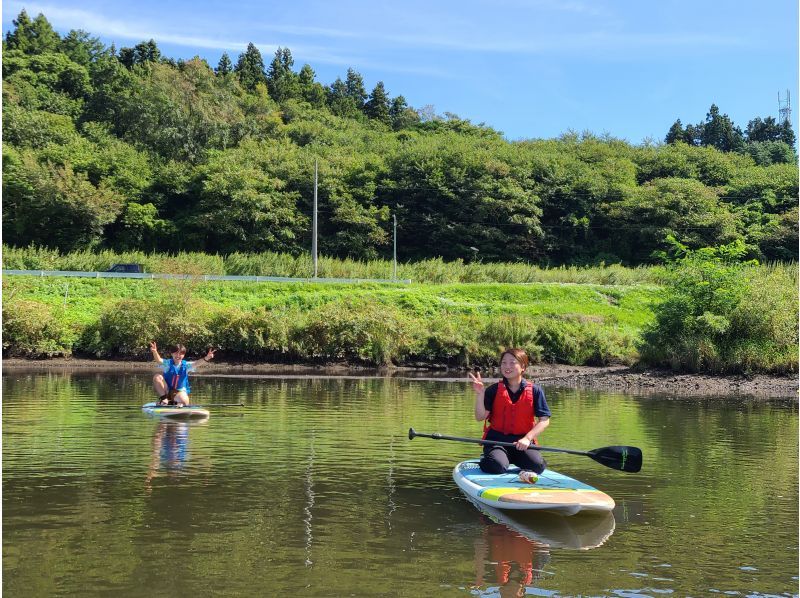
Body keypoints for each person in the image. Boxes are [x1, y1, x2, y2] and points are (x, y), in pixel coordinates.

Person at [469, 348, 550, 484]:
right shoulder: (493, 390)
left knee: (538, 466)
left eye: (512, 363)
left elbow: (544, 420)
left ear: (523, 367)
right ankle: (490, 457)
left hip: (522, 443)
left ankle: (515, 461)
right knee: (497, 465)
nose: (507, 366)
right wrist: (480, 394)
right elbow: (480, 417)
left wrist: (527, 438)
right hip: (497, 442)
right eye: (504, 363)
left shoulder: (535, 390)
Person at [150, 341, 215, 406]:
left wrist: (207, 358)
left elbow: (196, 363)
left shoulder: (186, 366)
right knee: (157, 376)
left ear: (183, 355)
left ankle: (173, 403)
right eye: (176, 353)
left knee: (184, 400)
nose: (178, 355)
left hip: (179, 393)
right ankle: (164, 399)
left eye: (181, 354)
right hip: (166, 391)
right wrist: (155, 351)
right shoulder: (167, 364)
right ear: (172, 354)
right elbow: (158, 360)